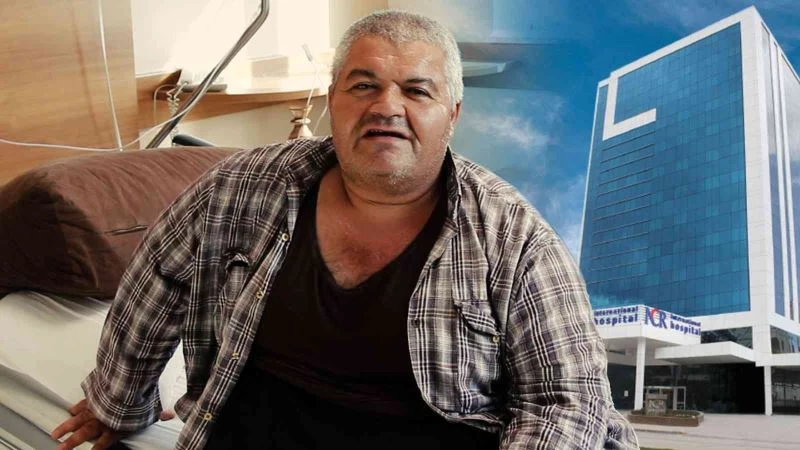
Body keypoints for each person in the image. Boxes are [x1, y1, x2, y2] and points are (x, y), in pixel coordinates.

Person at [52, 10, 638, 450]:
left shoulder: (515, 239)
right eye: (364, 85)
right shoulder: (236, 190)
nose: (386, 106)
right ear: (333, 100)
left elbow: (566, 402)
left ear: (452, 114)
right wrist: (118, 403)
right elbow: (156, 282)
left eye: (417, 90)